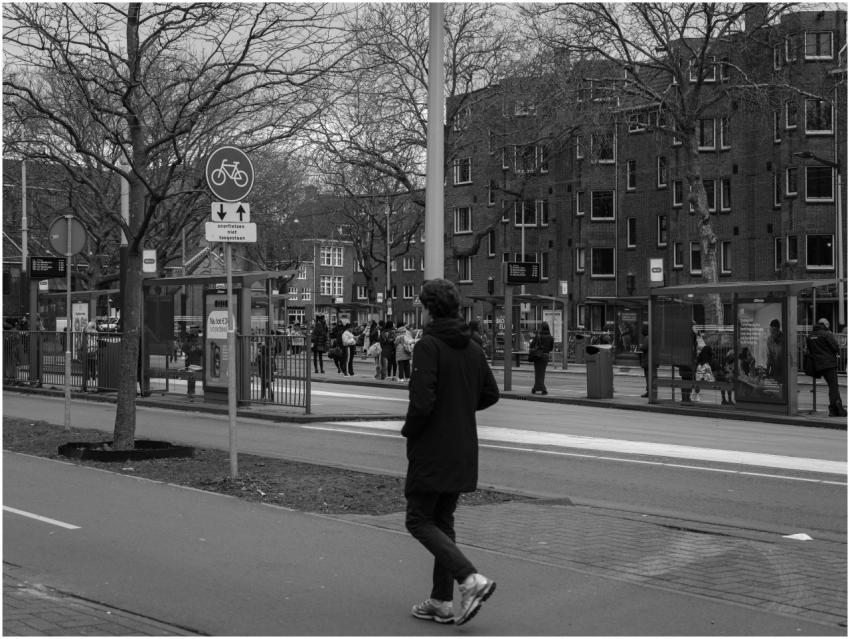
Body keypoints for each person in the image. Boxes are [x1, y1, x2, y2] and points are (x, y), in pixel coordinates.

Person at [402, 278, 500, 626]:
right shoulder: (472, 347)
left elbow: (422, 403)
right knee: (442, 522)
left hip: (432, 448)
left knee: (417, 519)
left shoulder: (428, 346)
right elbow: (491, 393)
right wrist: (459, 407)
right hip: (462, 446)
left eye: (421, 306)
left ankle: (470, 579)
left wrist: (409, 432)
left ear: (430, 309)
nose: (421, 311)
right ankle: (441, 601)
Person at [806, 318, 846, 417]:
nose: (828, 326)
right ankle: (833, 409)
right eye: (827, 324)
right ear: (824, 325)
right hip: (829, 364)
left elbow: (810, 350)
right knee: (833, 386)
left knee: (832, 386)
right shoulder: (826, 334)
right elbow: (835, 347)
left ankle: (838, 408)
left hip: (818, 365)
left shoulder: (810, 336)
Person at [529, 321, 555, 395]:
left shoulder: (538, 336)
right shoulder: (550, 337)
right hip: (545, 356)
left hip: (538, 356)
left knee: (538, 373)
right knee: (541, 373)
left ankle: (543, 389)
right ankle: (535, 388)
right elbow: (551, 348)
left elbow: (531, 345)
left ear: (541, 327)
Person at [183, 331, 203, 400]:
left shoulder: (196, 345)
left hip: (193, 364)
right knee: (191, 379)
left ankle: (190, 392)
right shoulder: (189, 344)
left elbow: (201, 353)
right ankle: (191, 392)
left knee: (192, 379)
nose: (195, 339)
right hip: (192, 363)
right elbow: (185, 351)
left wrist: (199, 349)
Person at [81, 320, 99, 392]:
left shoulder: (87, 332)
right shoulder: (96, 333)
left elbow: (84, 342)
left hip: (87, 352)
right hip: (94, 352)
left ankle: (87, 381)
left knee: (87, 367)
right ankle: (94, 380)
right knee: (93, 367)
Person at [766, 319, 784, 384]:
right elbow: (769, 356)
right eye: (771, 331)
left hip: (783, 368)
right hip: (774, 368)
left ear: (778, 330)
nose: (772, 334)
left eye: (774, 332)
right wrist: (767, 370)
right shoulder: (769, 339)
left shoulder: (784, 338)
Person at [638, 326, 650, 398]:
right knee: (649, 376)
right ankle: (650, 391)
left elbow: (644, 348)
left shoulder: (647, 338)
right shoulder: (650, 337)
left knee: (648, 377)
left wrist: (641, 346)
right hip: (649, 361)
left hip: (647, 361)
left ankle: (649, 391)